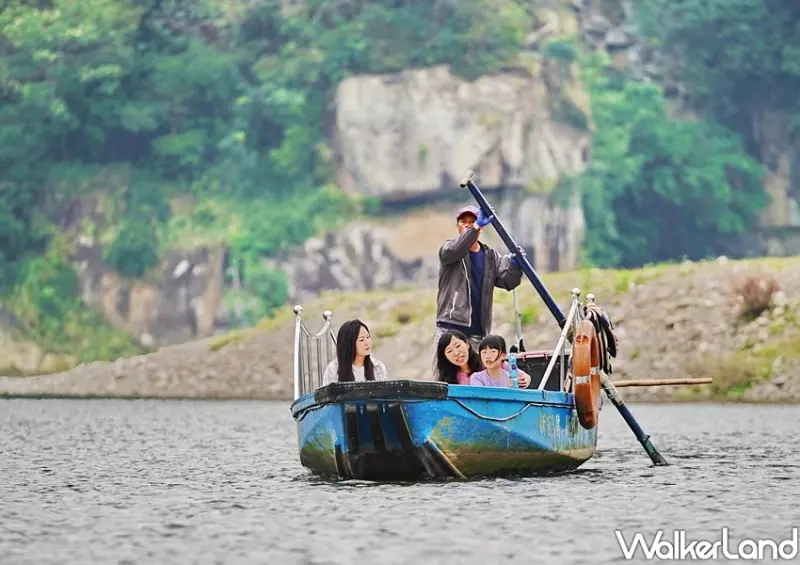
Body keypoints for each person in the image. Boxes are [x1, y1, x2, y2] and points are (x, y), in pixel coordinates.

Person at [432, 204, 525, 367]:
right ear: (457, 227)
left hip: (477, 332)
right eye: (463, 221)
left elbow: (508, 281)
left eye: (473, 221)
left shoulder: (490, 256)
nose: (468, 224)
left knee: (475, 378)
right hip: (450, 328)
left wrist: (516, 265)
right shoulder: (449, 250)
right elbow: (457, 248)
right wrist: (475, 227)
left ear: (482, 228)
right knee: (445, 379)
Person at [435, 330, 531, 387]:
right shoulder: (449, 378)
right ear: (445, 357)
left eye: (458, 346)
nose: (456, 353)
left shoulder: (489, 362)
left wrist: (523, 381)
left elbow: (524, 376)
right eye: (449, 351)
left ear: (467, 344)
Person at [321, 319, 389, 385]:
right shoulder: (333, 369)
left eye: (368, 337)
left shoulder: (378, 367)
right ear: (350, 343)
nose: (367, 342)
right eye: (361, 340)